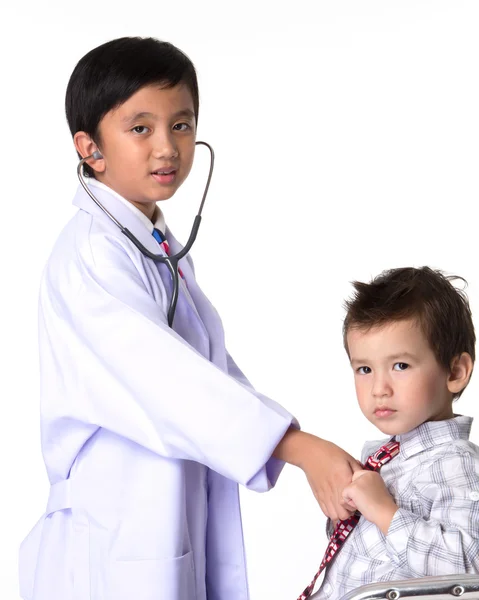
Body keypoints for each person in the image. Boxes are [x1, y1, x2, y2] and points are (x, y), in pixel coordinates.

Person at [18, 37, 359, 600]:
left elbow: (211, 369)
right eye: (140, 128)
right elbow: (171, 381)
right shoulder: (93, 254)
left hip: (158, 513)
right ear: (89, 148)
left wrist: (298, 442)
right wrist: (298, 448)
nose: (168, 148)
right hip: (115, 527)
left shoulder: (153, 244)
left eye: (181, 125)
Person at [311, 266, 479, 600]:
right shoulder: (390, 459)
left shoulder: (456, 463)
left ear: (456, 372)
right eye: (365, 369)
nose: (379, 389)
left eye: (400, 366)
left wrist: (385, 512)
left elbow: (467, 571)